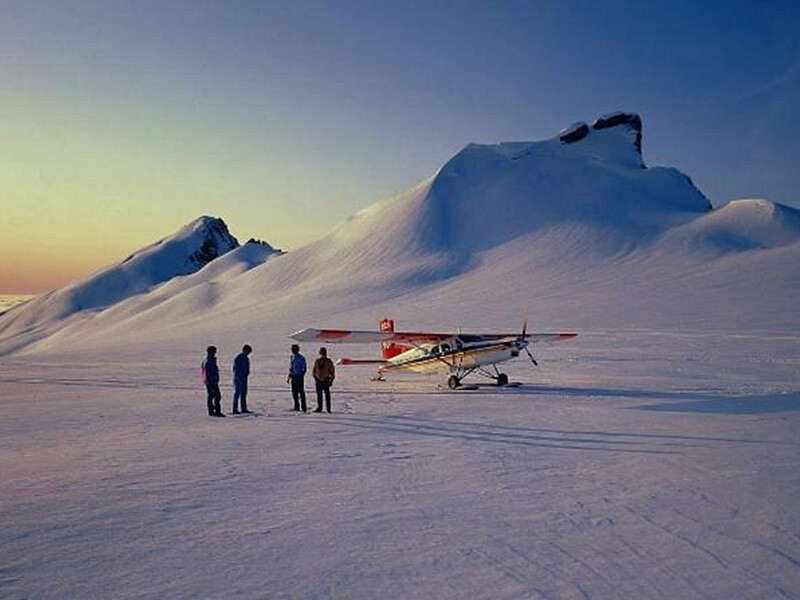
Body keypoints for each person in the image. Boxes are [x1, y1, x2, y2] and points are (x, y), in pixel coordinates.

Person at [202, 346, 224, 417]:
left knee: (211, 396)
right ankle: (216, 411)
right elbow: (209, 372)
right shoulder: (209, 361)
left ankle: (212, 410)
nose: (215, 353)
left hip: (211, 381)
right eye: (214, 351)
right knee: (217, 396)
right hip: (211, 382)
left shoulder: (209, 360)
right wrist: (211, 381)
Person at [312, 347, 336, 413]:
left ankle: (328, 409)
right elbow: (314, 371)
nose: (323, 354)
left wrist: (331, 381)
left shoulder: (329, 361)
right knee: (319, 395)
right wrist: (316, 378)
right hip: (318, 380)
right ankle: (319, 408)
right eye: (322, 353)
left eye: (324, 353)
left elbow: (332, 372)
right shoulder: (317, 361)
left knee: (327, 395)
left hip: (326, 380)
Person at [232, 344, 252, 414]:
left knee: (244, 393)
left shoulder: (246, 359)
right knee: (237, 393)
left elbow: (247, 368)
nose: (248, 353)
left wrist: (246, 374)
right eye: (247, 351)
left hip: (244, 378)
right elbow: (236, 369)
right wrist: (239, 377)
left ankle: (244, 408)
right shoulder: (238, 358)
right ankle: (235, 409)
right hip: (238, 379)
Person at [287, 344, 307, 412]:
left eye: (294, 349)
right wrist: (290, 375)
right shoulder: (292, 357)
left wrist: (302, 375)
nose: (293, 350)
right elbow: (291, 367)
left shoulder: (301, 358)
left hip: (299, 376)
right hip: (293, 376)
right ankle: (296, 406)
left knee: (301, 392)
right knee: (294, 392)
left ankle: (304, 407)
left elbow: (304, 367)